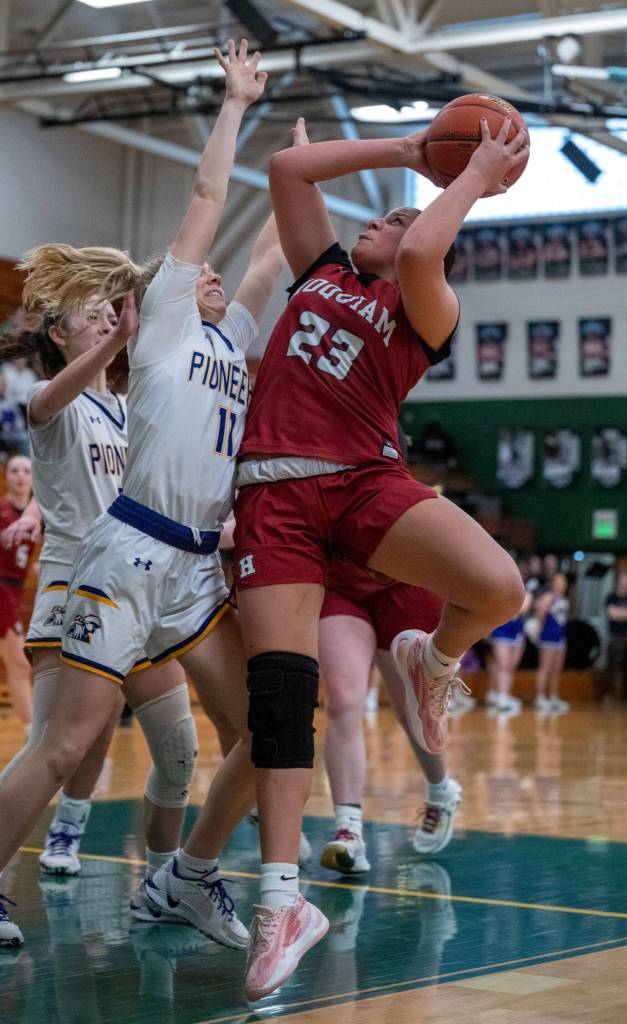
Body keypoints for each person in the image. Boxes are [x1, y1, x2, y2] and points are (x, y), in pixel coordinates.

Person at [229, 115, 528, 998]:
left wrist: (466, 176)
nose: (378, 224)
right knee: (282, 695)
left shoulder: (423, 301)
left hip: (363, 480)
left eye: (391, 220)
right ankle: (282, 902)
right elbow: (288, 168)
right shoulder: (320, 271)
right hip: (273, 493)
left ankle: (431, 659)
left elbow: (427, 245)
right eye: (380, 219)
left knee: (498, 585)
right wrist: (408, 151)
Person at [0, 38, 278, 953]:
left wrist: (301, 169)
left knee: (254, 733)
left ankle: (183, 879)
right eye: (195, 270)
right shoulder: (161, 319)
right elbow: (206, 202)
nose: (211, 273)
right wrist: (234, 104)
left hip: (196, 569)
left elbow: (271, 259)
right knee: (69, 745)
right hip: (126, 553)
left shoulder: (228, 338)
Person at [318, 556, 462, 874]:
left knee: (413, 709)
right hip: (339, 579)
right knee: (342, 700)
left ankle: (441, 790)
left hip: (407, 572)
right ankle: (349, 829)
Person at [0, 454, 36, 732]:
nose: (21, 475)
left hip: (16, 589)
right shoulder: (1, 509)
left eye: (26, 470)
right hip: (1, 589)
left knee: (20, 666)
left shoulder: (38, 515)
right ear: (6, 476)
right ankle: (31, 733)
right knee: (20, 666)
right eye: (14, 470)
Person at [487, 584, 532, 715]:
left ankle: (504, 694)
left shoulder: (525, 590)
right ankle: (501, 697)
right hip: (501, 632)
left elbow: (524, 608)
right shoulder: (498, 590)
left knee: (510, 667)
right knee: (503, 665)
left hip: (517, 632)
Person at [534, 573, 570, 713]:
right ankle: (540, 697)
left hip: (560, 637)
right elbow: (540, 615)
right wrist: (541, 631)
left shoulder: (565, 599)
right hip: (548, 637)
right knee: (545, 667)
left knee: (556, 669)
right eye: (560, 581)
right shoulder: (549, 597)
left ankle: (554, 696)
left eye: (564, 581)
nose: (562, 584)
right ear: (554, 582)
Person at [601, 571, 627, 701]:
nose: (625, 584)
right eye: (623, 581)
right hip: (615, 636)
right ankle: (608, 694)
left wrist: (621, 613)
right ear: (618, 582)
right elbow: (612, 614)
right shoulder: (611, 597)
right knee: (611, 667)